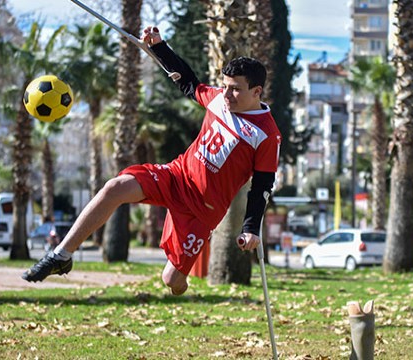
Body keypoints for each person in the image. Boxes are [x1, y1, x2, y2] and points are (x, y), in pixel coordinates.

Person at [23, 26, 281, 296]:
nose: (226, 95)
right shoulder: (219, 100)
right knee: (115, 187)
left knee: (171, 281)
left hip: (202, 209)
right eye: (225, 87)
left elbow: (263, 184)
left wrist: (251, 228)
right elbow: (188, 82)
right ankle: (61, 255)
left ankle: (183, 280)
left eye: (235, 90)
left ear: (257, 91)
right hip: (176, 176)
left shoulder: (266, 134)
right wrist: (159, 47)